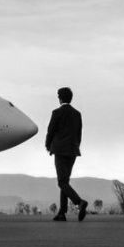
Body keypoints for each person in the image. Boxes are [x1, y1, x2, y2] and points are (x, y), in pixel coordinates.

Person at [46, 86, 88, 221]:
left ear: (60, 98)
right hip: (73, 150)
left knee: (61, 182)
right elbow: (79, 133)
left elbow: (50, 131)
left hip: (60, 150)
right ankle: (61, 213)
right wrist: (76, 146)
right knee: (65, 181)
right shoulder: (77, 114)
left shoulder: (56, 113)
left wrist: (48, 145)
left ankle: (79, 202)